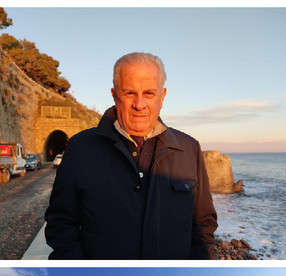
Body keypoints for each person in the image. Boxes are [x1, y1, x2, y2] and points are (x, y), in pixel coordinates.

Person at [45, 52, 217, 259]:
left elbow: (203, 223)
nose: (139, 104)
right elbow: (61, 222)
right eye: (129, 93)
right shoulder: (81, 148)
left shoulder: (189, 148)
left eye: (149, 94)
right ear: (115, 95)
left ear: (162, 96)